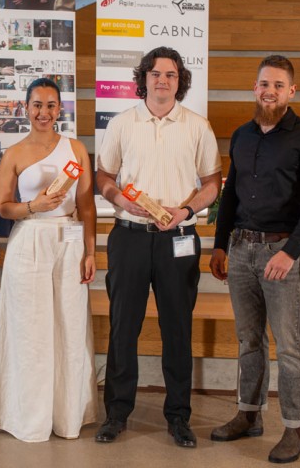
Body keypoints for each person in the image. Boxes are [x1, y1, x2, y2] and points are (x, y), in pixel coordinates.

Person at [94, 46, 222, 448]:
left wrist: (185, 210)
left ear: (179, 80)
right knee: (123, 328)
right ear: (143, 78)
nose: (162, 80)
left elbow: (213, 184)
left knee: (177, 330)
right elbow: (103, 176)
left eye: (170, 74)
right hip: (129, 236)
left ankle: (178, 417)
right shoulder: (122, 124)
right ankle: (116, 413)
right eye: (154, 73)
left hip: (179, 240)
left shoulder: (197, 126)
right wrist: (120, 199)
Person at [209, 55, 300, 464]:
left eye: (277, 84)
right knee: (248, 340)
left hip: (281, 254)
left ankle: (294, 429)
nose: (269, 91)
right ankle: (249, 415)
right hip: (240, 251)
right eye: (262, 84)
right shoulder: (241, 135)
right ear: (254, 88)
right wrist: (220, 245)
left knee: (289, 346)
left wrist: (291, 252)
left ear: (291, 91)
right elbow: (231, 194)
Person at [0, 78, 98, 442]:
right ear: (25, 107)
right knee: (29, 329)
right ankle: (28, 416)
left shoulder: (76, 149)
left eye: (51, 105)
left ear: (59, 108)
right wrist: (34, 206)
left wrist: (91, 251)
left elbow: (87, 206)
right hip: (29, 239)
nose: (44, 112)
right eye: (37, 105)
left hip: (69, 240)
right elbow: (3, 207)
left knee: (69, 324)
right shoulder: (14, 153)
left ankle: (67, 416)